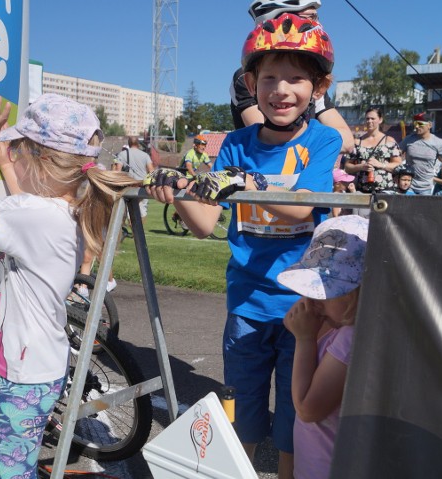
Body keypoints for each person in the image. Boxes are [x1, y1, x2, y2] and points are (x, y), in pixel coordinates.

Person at [145, 14, 341, 479]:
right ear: (251, 84)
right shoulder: (235, 143)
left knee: (297, 420)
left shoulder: (322, 139)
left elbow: (301, 209)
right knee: (243, 417)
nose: (281, 89)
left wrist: (245, 181)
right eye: (269, 77)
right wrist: (176, 189)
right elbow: (204, 222)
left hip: (305, 308)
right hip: (248, 303)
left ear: (319, 87)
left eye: (296, 77)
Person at [0, 94, 139, 479]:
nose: (15, 157)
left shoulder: (32, 215)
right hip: (42, 365)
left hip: (22, 376)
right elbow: (29, 206)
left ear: (39, 158)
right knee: (20, 465)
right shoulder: (69, 210)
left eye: (19, 150)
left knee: (11, 473)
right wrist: (9, 168)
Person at [277, 214, 368, 479]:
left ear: (361, 292)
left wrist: (304, 339)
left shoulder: (351, 339)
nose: (312, 299)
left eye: (326, 291)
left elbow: (308, 408)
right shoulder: (339, 326)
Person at [230, 0, 355, 155]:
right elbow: (276, 139)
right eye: (311, 17)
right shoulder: (245, 77)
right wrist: (323, 141)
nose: (319, 24)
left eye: (296, 78)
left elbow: (347, 141)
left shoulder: (308, 80)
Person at [399, 112, 442, 195]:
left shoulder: (438, 143)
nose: (417, 126)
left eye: (420, 124)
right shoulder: (408, 139)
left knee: (421, 208)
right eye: (415, 123)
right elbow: (396, 155)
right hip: (409, 185)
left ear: (429, 125)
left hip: (426, 188)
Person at [342, 107, 402, 193]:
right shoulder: (358, 142)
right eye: (367, 119)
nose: (369, 121)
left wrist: (381, 165)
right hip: (362, 190)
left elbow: (398, 165)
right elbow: (347, 167)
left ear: (380, 120)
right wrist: (361, 167)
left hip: (385, 190)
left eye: (373, 118)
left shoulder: (389, 141)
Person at [113, 136, 155, 221]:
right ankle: (138, 232)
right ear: (138, 144)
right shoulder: (145, 155)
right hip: (142, 186)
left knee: (130, 212)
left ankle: (134, 232)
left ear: (129, 144)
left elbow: (118, 171)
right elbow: (152, 171)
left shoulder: (122, 154)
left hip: (130, 186)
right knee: (142, 211)